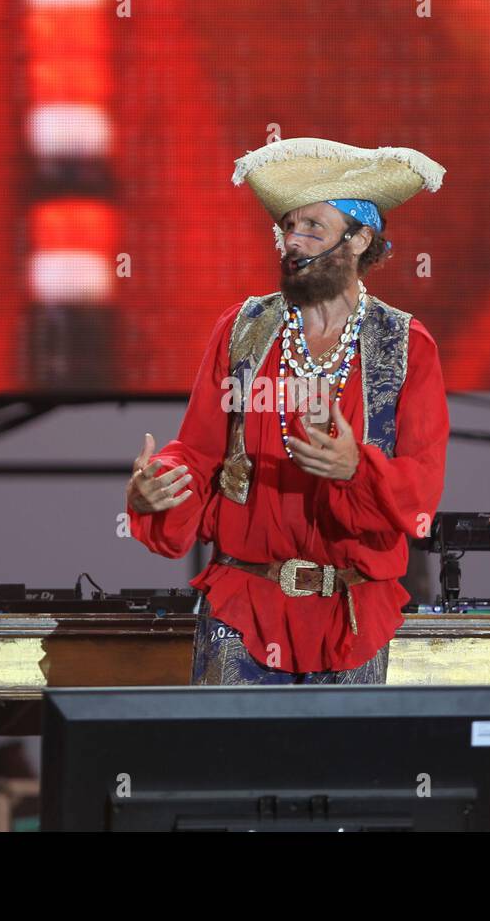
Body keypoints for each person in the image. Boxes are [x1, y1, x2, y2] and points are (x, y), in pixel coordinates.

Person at [125, 137, 450, 684]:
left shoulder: (406, 344)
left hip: (353, 614)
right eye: (288, 229)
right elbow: (200, 453)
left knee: (348, 773)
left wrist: (356, 471)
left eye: (312, 230)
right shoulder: (243, 329)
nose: (293, 244)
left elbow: (421, 483)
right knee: (229, 769)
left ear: (359, 239)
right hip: (243, 607)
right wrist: (158, 489)